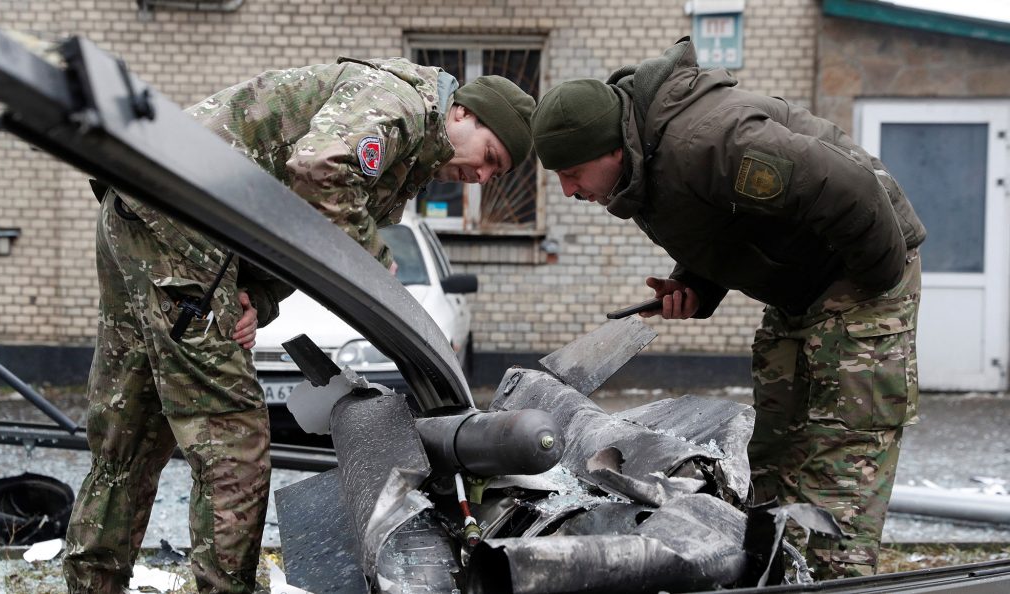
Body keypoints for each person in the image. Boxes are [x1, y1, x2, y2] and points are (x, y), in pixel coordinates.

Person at [62, 55, 535, 594]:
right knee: (233, 435)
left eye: (495, 175)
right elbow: (319, 170)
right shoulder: (400, 102)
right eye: (490, 156)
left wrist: (257, 298)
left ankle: (90, 584)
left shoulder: (404, 156)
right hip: (181, 216)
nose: (481, 177)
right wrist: (374, 263)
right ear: (464, 113)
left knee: (133, 425)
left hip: (146, 204)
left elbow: (297, 231)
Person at [530, 36, 924, 580]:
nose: (568, 190)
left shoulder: (710, 142)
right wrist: (695, 285)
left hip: (859, 268)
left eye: (572, 174)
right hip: (800, 290)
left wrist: (874, 288)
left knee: (840, 452)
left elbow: (848, 187)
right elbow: (725, 225)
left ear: (611, 149)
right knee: (777, 456)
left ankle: (838, 581)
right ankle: (785, 575)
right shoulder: (641, 168)